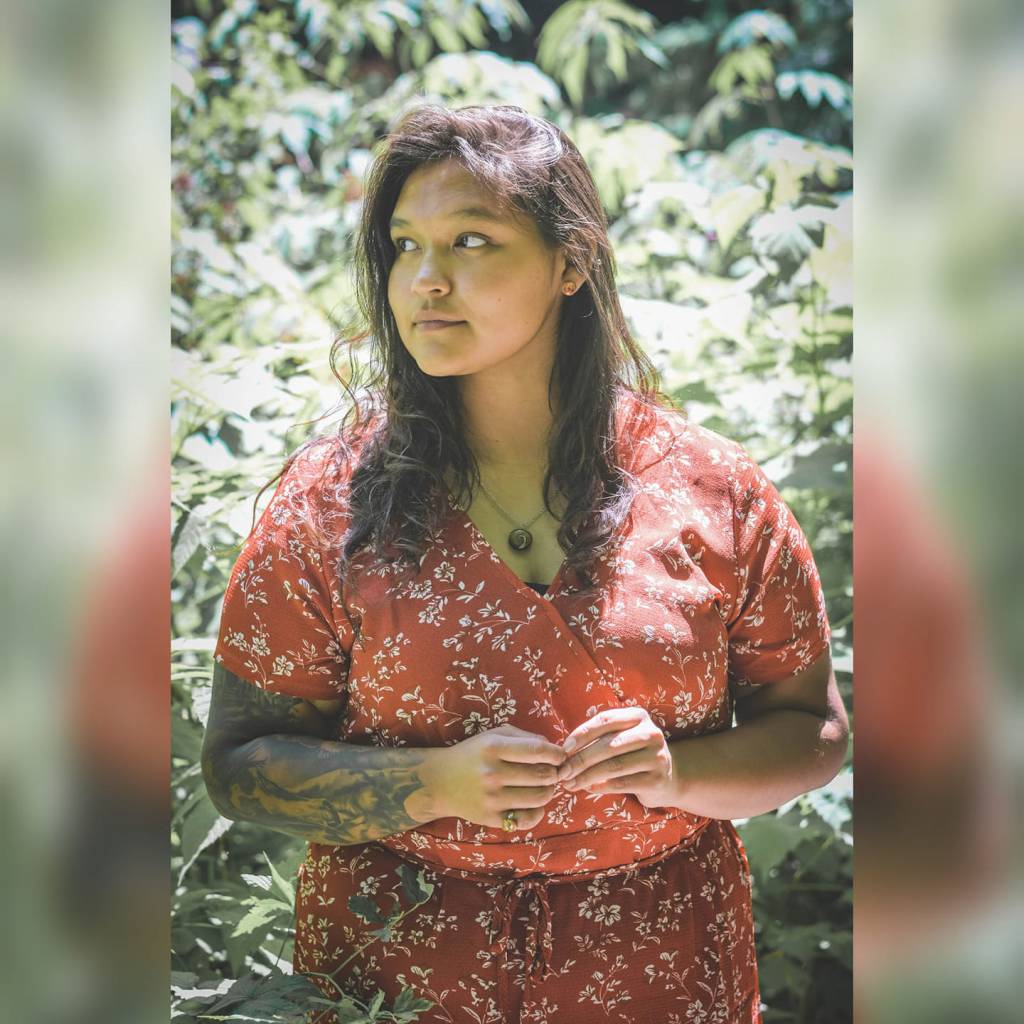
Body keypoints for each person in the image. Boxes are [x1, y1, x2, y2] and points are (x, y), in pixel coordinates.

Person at [201, 103, 849, 1024]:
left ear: (570, 262)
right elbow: (238, 765)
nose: (426, 279)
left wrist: (676, 773)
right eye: (405, 244)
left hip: (661, 973)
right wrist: (428, 785)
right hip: (399, 980)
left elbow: (815, 731)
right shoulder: (330, 504)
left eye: (471, 241)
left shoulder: (713, 492)